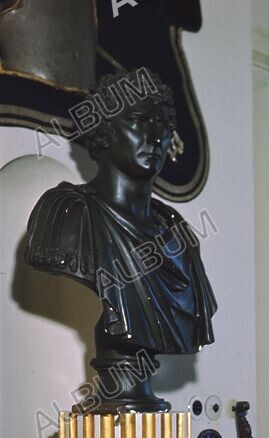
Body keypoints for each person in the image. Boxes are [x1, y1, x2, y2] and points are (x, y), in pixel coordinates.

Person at [26, 68, 217, 410]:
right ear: (104, 130)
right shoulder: (66, 213)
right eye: (138, 120)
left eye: (163, 125)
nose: (155, 136)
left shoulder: (180, 235)